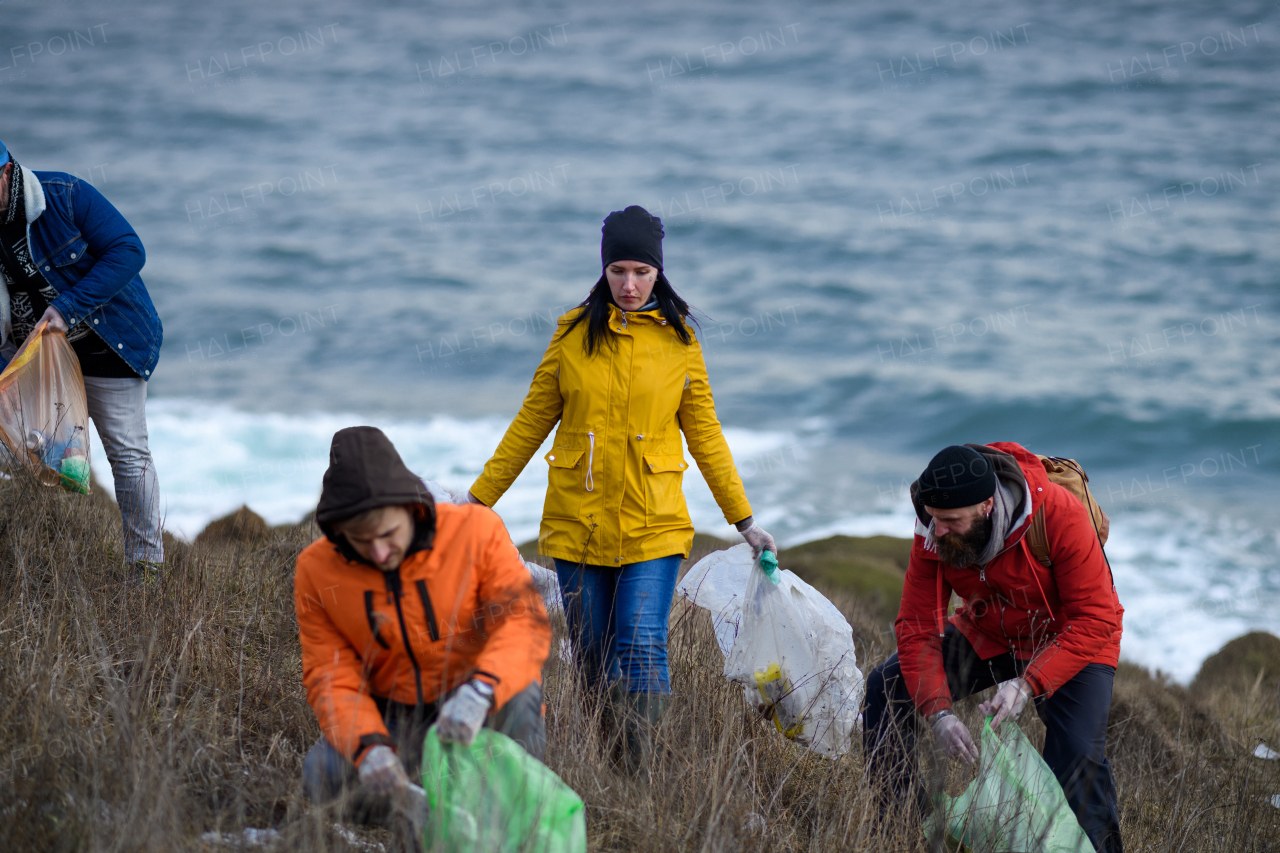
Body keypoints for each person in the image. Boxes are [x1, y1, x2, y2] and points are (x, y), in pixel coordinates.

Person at [466, 205, 777, 770]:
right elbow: (531, 422)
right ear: (603, 271)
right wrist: (477, 500)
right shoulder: (571, 333)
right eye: (618, 272)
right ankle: (611, 762)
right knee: (590, 655)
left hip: (653, 522)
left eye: (641, 272)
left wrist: (744, 520)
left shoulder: (681, 343)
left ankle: (643, 778)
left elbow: (705, 434)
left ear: (659, 272)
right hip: (577, 521)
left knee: (639, 645)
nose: (629, 285)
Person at [863, 442, 1124, 853]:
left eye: (950, 522)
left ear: (987, 506)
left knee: (1075, 759)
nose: (938, 532)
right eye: (933, 521)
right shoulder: (933, 528)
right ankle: (903, 835)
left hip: (1068, 636)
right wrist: (939, 713)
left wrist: (1027, 684)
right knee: (885, 688)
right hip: (989, 629)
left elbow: (1096, 618)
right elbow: (917, 627)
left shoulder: (1058, 516)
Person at [296, 426, 551, 819]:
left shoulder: (476, 532)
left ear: (410, 507)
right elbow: (331, 676)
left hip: (481, 699)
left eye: (387, 533)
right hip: (396, 714)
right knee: (322, 776)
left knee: (519, 700)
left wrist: (482, 689)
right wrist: (369, 747)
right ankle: (416, 804)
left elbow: (524, 625)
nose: (379, 553)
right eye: (361, 541)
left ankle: (500, 799)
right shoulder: (317, 569)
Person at [0, 140, 165, 580]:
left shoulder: (64, 195)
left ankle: (145, 571)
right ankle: (32, 563)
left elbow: (130, 250)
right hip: (34, 358)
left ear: (5, 173)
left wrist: (66, 308)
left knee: (128, 455)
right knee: (21, 458)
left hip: (108, 344)